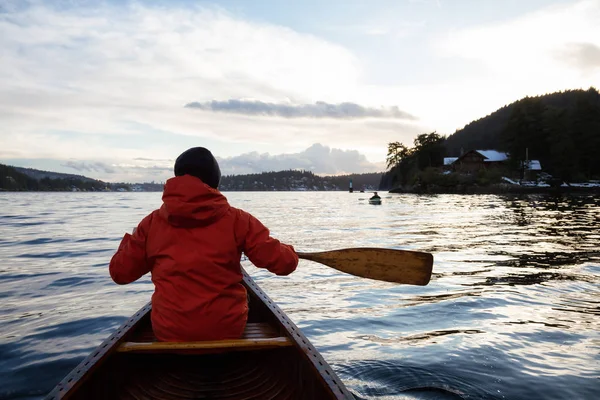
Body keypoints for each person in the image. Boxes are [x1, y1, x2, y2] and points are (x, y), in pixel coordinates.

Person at [109, 147, 298, 342]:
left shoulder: (150, 224)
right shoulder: (239, 220)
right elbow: (285, 264)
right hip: (226, 330)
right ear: (215, 181)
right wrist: (289, 252)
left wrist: (131, 240)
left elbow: (120, 273)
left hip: (169, 332)